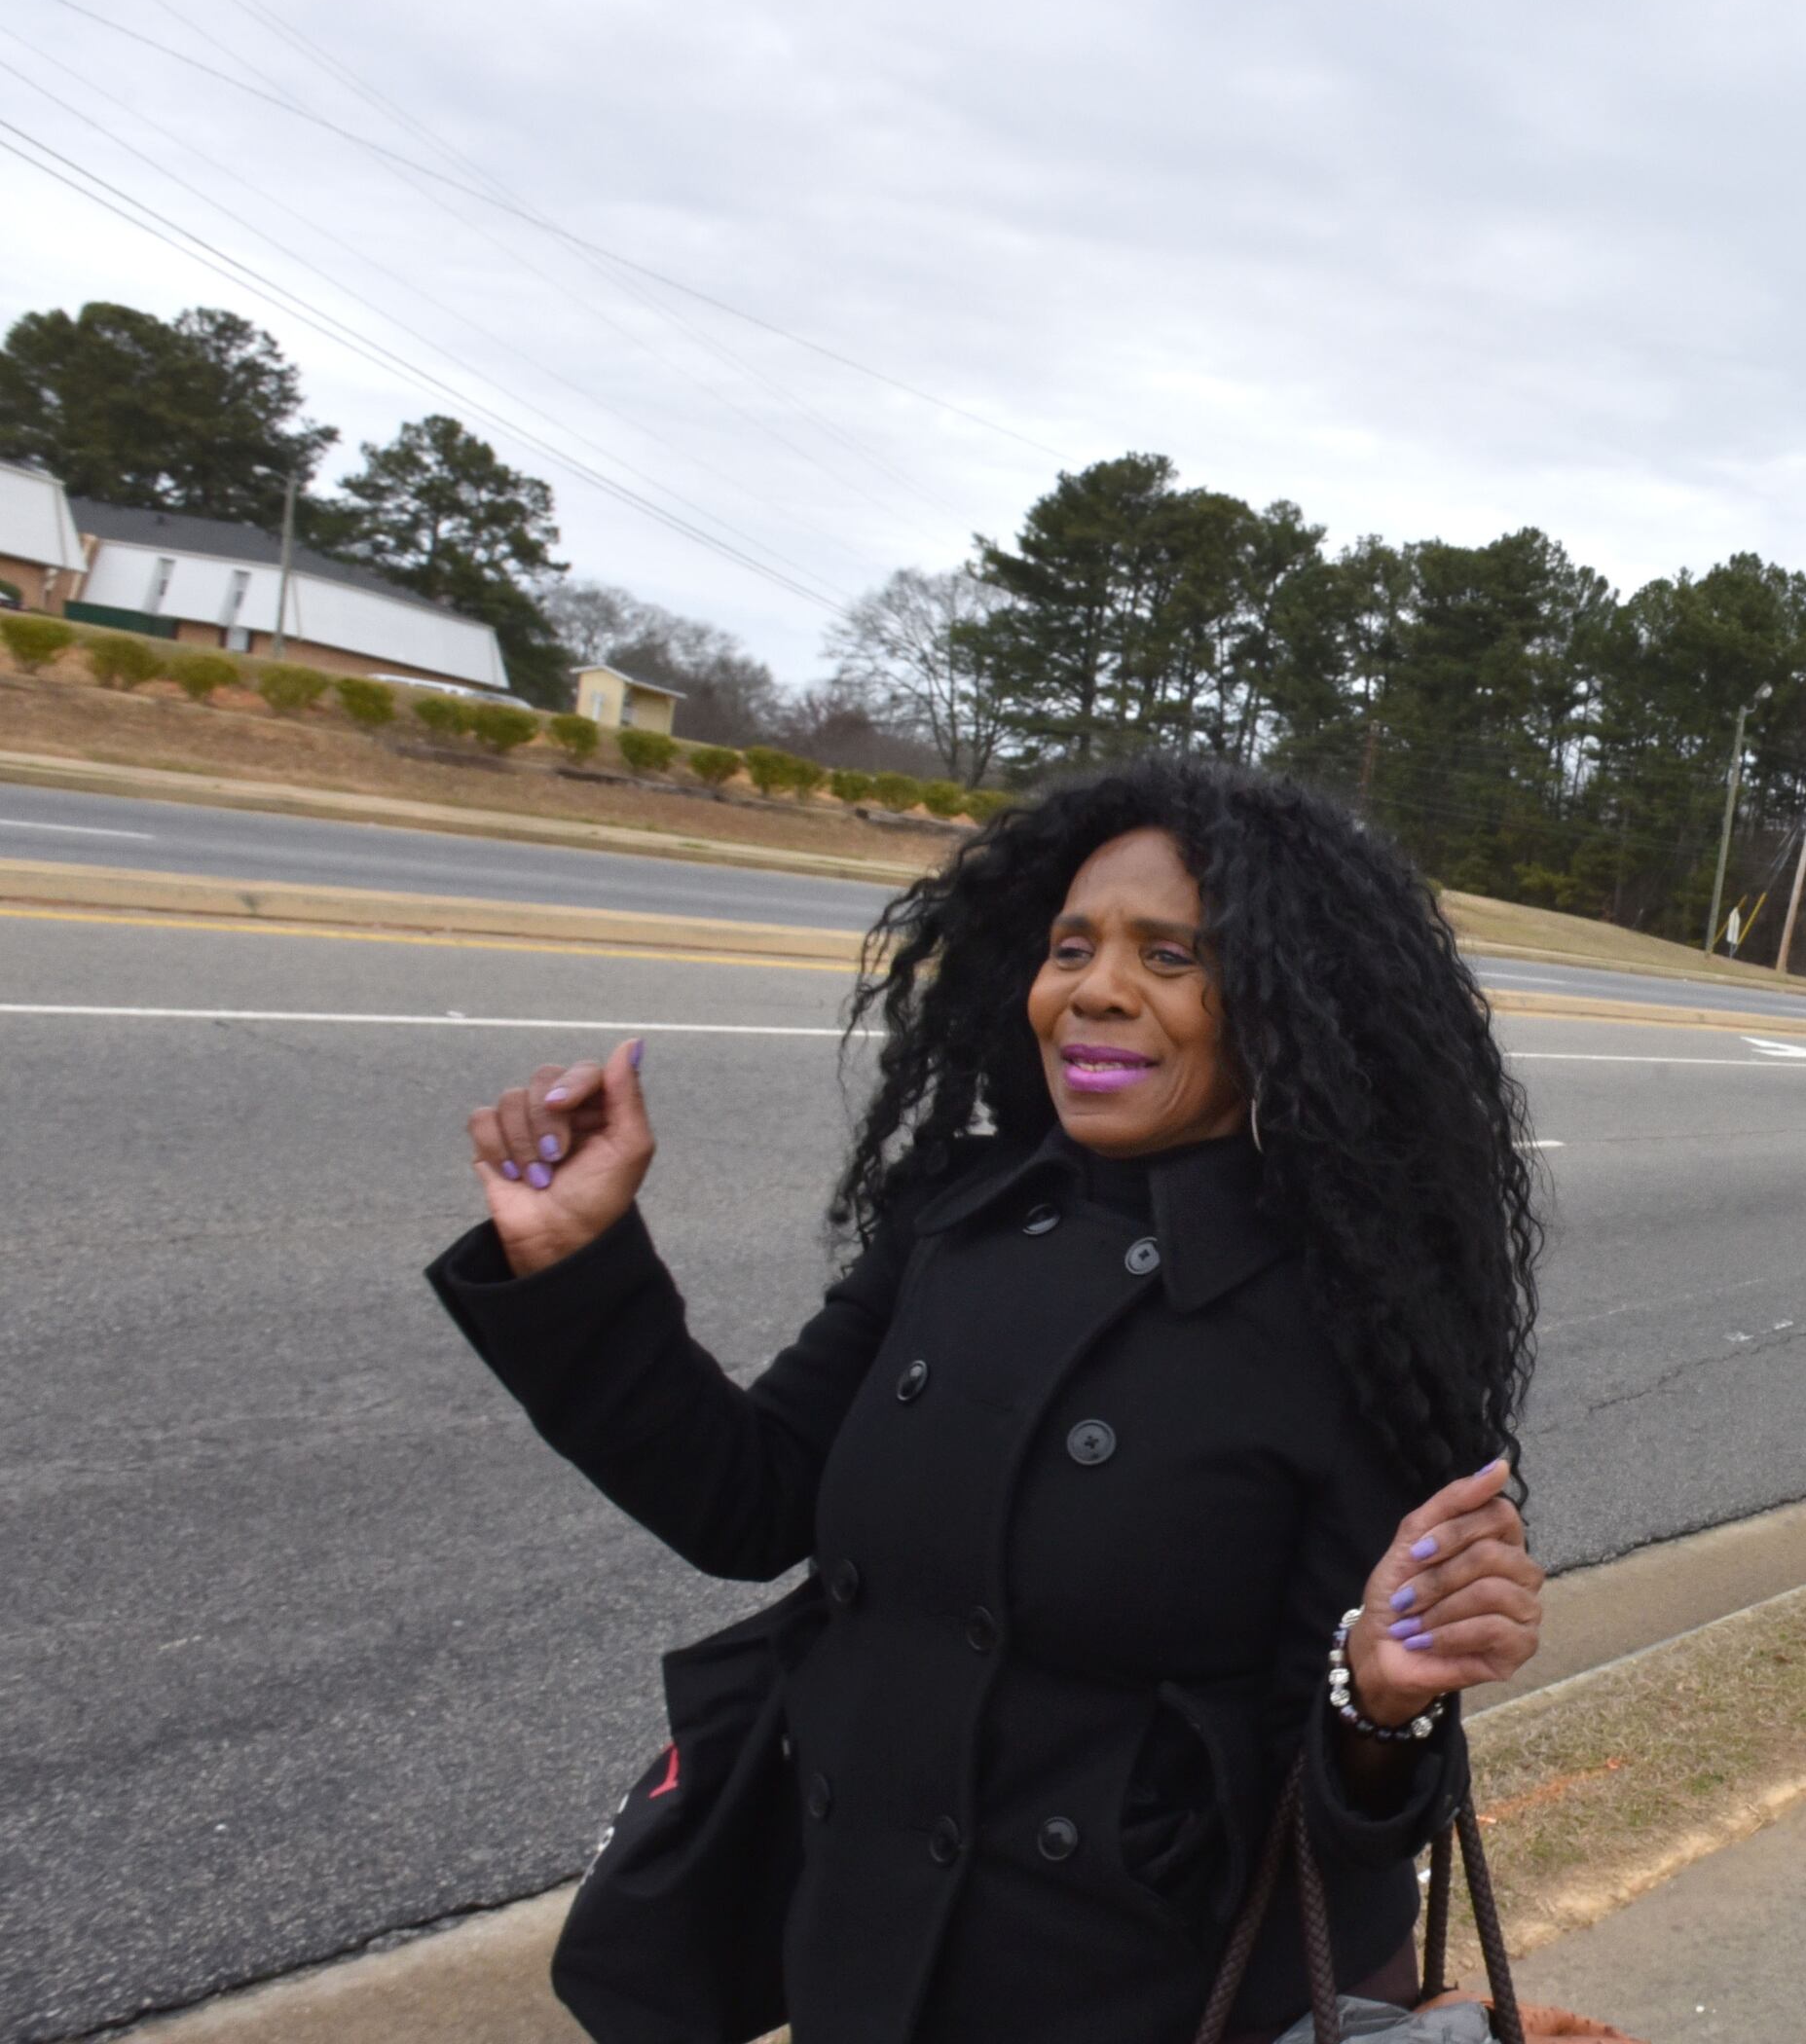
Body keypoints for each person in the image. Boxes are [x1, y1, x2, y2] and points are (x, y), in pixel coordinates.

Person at [426, 754, 1547, 2043]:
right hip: (868, 1962)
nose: (1097, 991)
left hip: (1157, 1997)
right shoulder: (957, 1220)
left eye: (1170, 956)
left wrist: (1377, 1698)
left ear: (1289, 1006)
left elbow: (1349, 1800)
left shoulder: (1354, 1316)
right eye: (1072, 947)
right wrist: (575, 1261)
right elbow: (746, 1500)